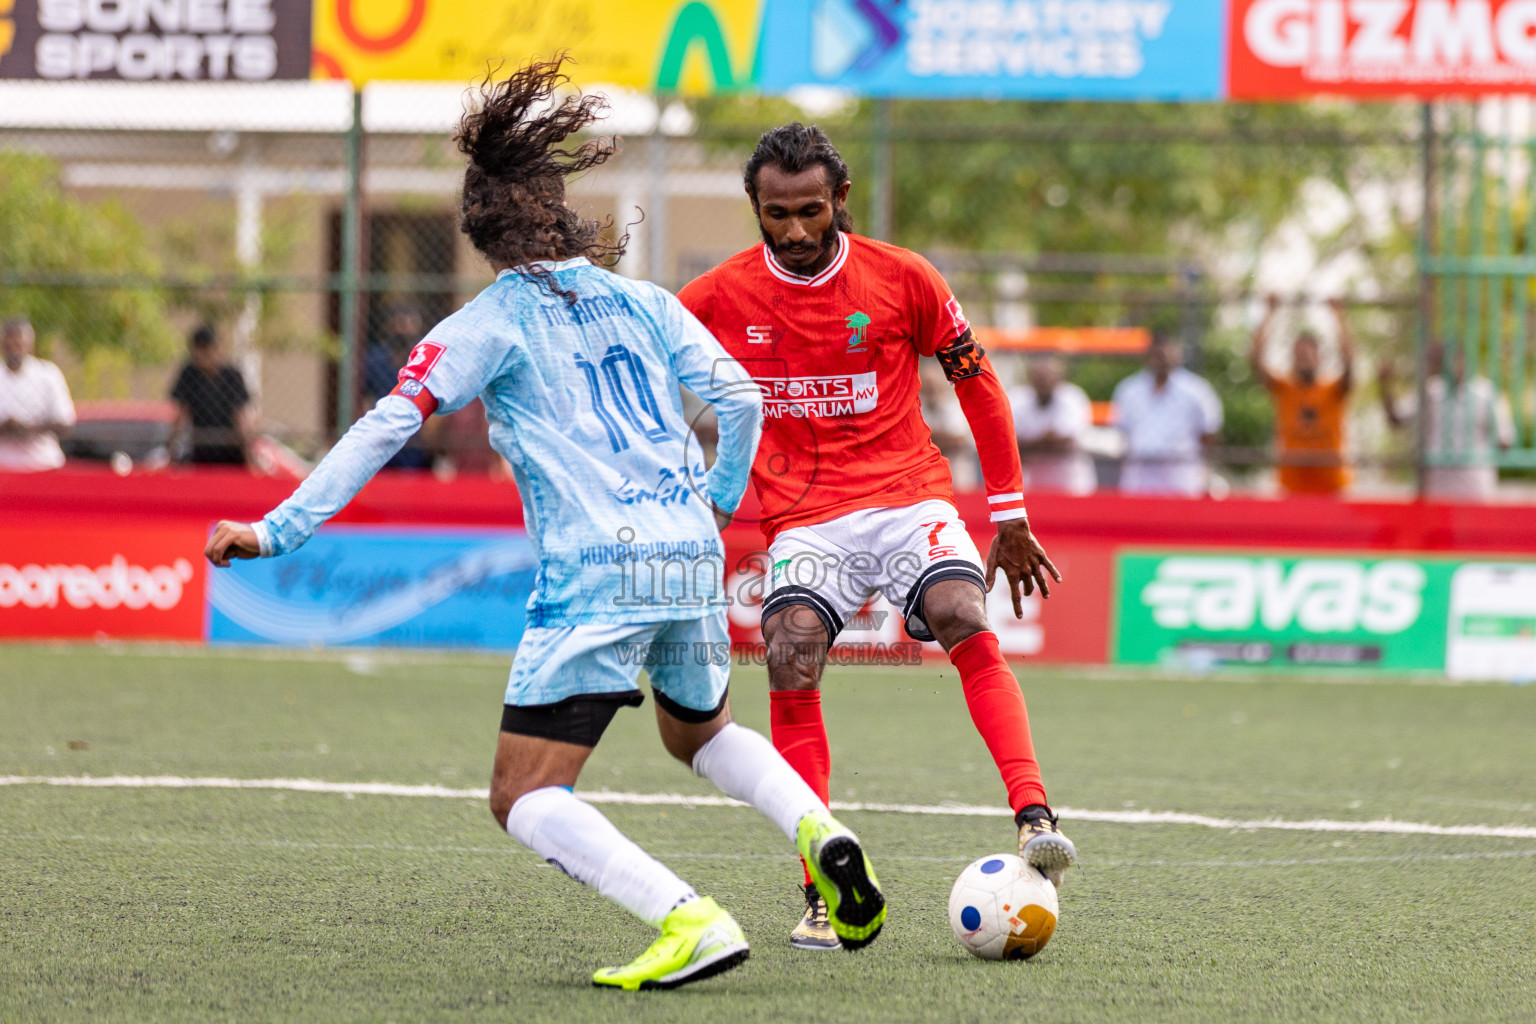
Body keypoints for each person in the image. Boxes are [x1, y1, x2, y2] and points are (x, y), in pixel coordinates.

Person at [203, 59, 885, 991]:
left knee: (521, 793)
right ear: (561, 214)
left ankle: (689, 920)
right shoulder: (644, 299)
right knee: (699, 733)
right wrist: (717, 504)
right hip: (686, 551)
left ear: (482, 230)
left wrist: (277, 528)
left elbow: (387, 424)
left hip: (598, 571)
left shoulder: (489, 320)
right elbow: (739, 398)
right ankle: (820, 830)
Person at [678, 123, 1074, 952]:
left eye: (810, 211)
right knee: (788, 652)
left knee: (961, 612)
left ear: (841, 200)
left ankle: (1035, 814)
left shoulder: (903, 278)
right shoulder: (716, 296)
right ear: (754, 205)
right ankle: (821, 886)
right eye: (776, 213)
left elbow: (979, 385)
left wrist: (1009, 513)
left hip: (906, 498)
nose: (794, 230)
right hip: (805, 520)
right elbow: (643, 381)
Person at [1380, 342, 1515, 501]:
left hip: (1476, 489)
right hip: (1437, 490)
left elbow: (1504, 440)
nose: (1455, 365)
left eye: (1458, 359)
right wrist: (1385, 385)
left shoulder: (1486, 393)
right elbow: (1396, 419)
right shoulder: (1432, 391)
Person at [1249, 295, 1355, 496]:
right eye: (1299, 353)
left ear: (1319, 357)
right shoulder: (1284, 388)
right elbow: (1256, 360)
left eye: (1309, 352)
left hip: (1332, 487)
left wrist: (1339, 316)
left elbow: (1349, 362)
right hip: (1292, 488)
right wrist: (1269, 313)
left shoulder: (1333, 389)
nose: (1304, 357)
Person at [1111, 333, 1222, 496]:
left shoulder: (1197, 390)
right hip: (1139, 478)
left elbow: (1209, 433)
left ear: (1178, 354)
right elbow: (1122, 432)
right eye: (1156, 352)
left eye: (1166, 352)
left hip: (1180, 479)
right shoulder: (1129, 389)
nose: (1161, 357)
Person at [362, 303, 438, 470]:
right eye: (400, 325)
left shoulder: (423, 359)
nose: (405, 331)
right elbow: (365, 399)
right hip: (382, 436)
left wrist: (429, 442)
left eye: (411, 326)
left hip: (415, 442)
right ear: (389, 327)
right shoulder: (376, 360)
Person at [1008, 354, 1095, 495]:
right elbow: (1010, 446)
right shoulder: (1017, 399)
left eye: (1048, 376)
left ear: (1059, 377)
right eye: (1039, 377)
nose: (1044, 382)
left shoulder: (1073, 398)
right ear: (1030, 377)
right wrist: (1046, 440)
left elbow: (1066, 443)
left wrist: (1030, 443)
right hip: (1031, 484)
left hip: (1070, 484)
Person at [169, 325, 253, 466]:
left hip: (231, 450)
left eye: (208, 352)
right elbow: (181, 414)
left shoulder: (232, 376)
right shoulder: (190, 375)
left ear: (217, 348)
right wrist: (171, 451)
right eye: (199, 353)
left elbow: (240, 416)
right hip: (200, 449)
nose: (204, 358)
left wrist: (248, 453)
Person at [0, 317, 75, 472]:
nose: (14, 347)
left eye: (18, 342)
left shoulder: (47, 374)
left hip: (42, 463)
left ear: (30, 344)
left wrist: (28, 428)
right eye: (9, 342)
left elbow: (65, 423)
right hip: (4, 466)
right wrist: (6, 428)